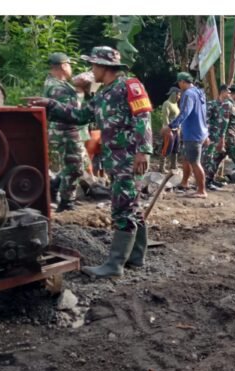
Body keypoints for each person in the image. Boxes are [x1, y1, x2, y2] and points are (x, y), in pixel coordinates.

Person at [26, 46, 152, 277]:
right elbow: (81, 116)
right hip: (115, 158)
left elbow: (143, 115)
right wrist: (50, 104)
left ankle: (114, 266)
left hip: (129, 157)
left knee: (122, 209)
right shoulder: (103, 93)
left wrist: (143, 151)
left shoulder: (129, 85)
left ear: (105, 66)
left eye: (94, 65)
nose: (91, 70)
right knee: (131, 205)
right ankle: (136, 257)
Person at [43, 52, 85, 213]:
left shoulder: (58, 84)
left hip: (63, 130)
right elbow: (73, 111)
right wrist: (81, 91)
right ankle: (66, 201)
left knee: (71, 165)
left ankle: (56, 187)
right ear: (63, 66)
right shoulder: (57, 87)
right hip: (65, 130)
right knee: (75, 167)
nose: (71, 68)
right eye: (69, 64)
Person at [168, 71, 208, 197]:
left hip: (193, 133)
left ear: (183, 82)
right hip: (200, 131)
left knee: (195, 162)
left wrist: (171, 126)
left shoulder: (188, 94)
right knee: (186, 158)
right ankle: (184, 182)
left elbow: (185, 112)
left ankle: (202, 190)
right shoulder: (199, 92)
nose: (179, 86)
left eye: (179, 83)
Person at [203, 83, 229, 190]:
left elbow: (224, 124)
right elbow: (206, 121)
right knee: (207, 158)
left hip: (219, 138)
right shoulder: (212, 104)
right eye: (228, 92)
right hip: (210, 137)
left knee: (214, 159)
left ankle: (210, 180)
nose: (229, 95)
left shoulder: (225, 106)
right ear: (223, 92)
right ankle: (204, 183)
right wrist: (206, 136)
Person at [158, 86, 181, 172]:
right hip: (169, 130)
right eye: (178, 95)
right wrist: (167, 129)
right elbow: (165, 117)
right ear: (173, 94)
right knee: (167, 148)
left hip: (176, 130)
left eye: (180, 95)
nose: (179, 97)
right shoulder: (167, 103)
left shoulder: (176, 105)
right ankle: (161, 167)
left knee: (175, 148)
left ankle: (173, 165)